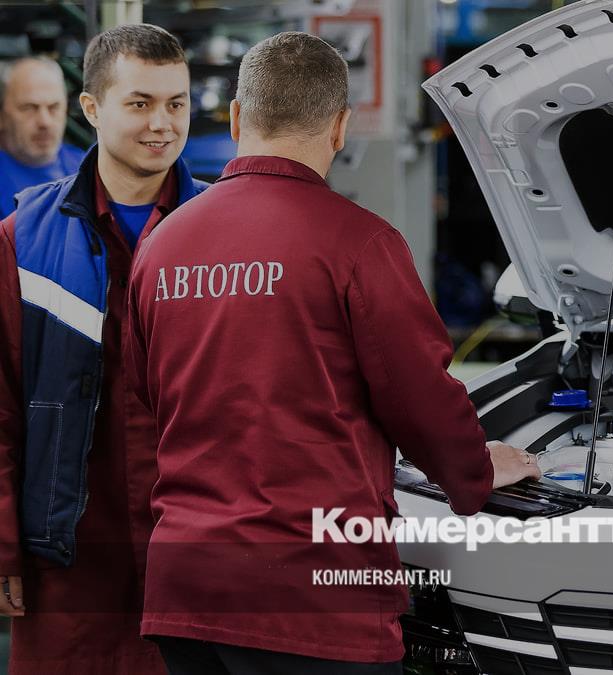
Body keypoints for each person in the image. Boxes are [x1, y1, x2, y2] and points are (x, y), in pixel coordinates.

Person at [126, 31, 540, 674]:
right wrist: (476, 472)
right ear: (341, 127)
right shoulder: (359, 244)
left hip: (187, 587)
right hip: (312, 596)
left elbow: (146, 396)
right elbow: (420, 399)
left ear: (235, 117)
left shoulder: (160, 246)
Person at [0, 24, 204, 675]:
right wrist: (3, 544)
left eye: (176, 103)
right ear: (91, 108)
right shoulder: (22, 240)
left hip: (196, 562)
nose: (161, 124)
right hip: (67, 568)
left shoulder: (227, 235)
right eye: (140, 103)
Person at [0, 57, 86, 218]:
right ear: (2, 115)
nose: (45, 122)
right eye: (29, 108)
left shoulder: (90, 169)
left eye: (54, 107)